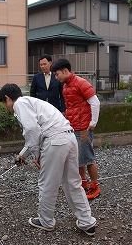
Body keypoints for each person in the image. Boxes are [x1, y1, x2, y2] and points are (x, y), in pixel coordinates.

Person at [0, 83, 96, 236]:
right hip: (69, 137)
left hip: (55, 141)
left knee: (48, 183)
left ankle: (45, 221)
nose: (7, 108)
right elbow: (34, 134)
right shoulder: (32, 102)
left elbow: (32, 130)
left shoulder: (20, 103)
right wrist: (23, 155)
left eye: (5, 104)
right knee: (73, 182)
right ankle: (87, 222)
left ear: (7, 98)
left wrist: (37, 155)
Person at [51, 58, 101, 200]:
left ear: (65, 71)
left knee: (88, 157)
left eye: (57, 74)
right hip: (75, 126)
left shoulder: (80, 83)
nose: (56, 77)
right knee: (78, 157)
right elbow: (73, 107)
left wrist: (93, 122)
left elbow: (95, 102)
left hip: (84, 128)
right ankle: (83, 183)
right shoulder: (67, 85)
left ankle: (95, 186)